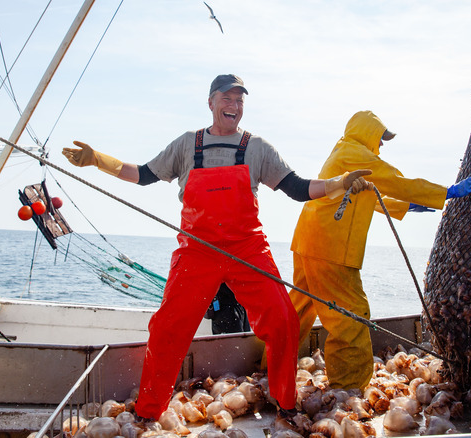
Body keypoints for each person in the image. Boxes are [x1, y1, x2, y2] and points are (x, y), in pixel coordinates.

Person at [62, 74, 372, 421]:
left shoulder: (258, 148)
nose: (234, 106)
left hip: (247, 248)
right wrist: (97, 159)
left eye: (240, 100)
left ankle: (285, 403)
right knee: (167, 329)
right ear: (211, 102)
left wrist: (340, 182)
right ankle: (149, 413)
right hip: (196, 250)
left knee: (284, 319)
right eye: (227, 98)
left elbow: (298, 188)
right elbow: (144, 174)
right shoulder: (185, 144)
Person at [289, 110, 471, 391]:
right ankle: (347, 390)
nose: (380, 146)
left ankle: (272, 369)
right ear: (366, 133)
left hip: (307, 243)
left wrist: (409, 206)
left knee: (297, 310)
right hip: (329, 250)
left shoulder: (343, 151)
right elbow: (394, 181)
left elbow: (369, 195)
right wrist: (447, 191)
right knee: (351, 317)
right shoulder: (356, 153)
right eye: (380, 139)